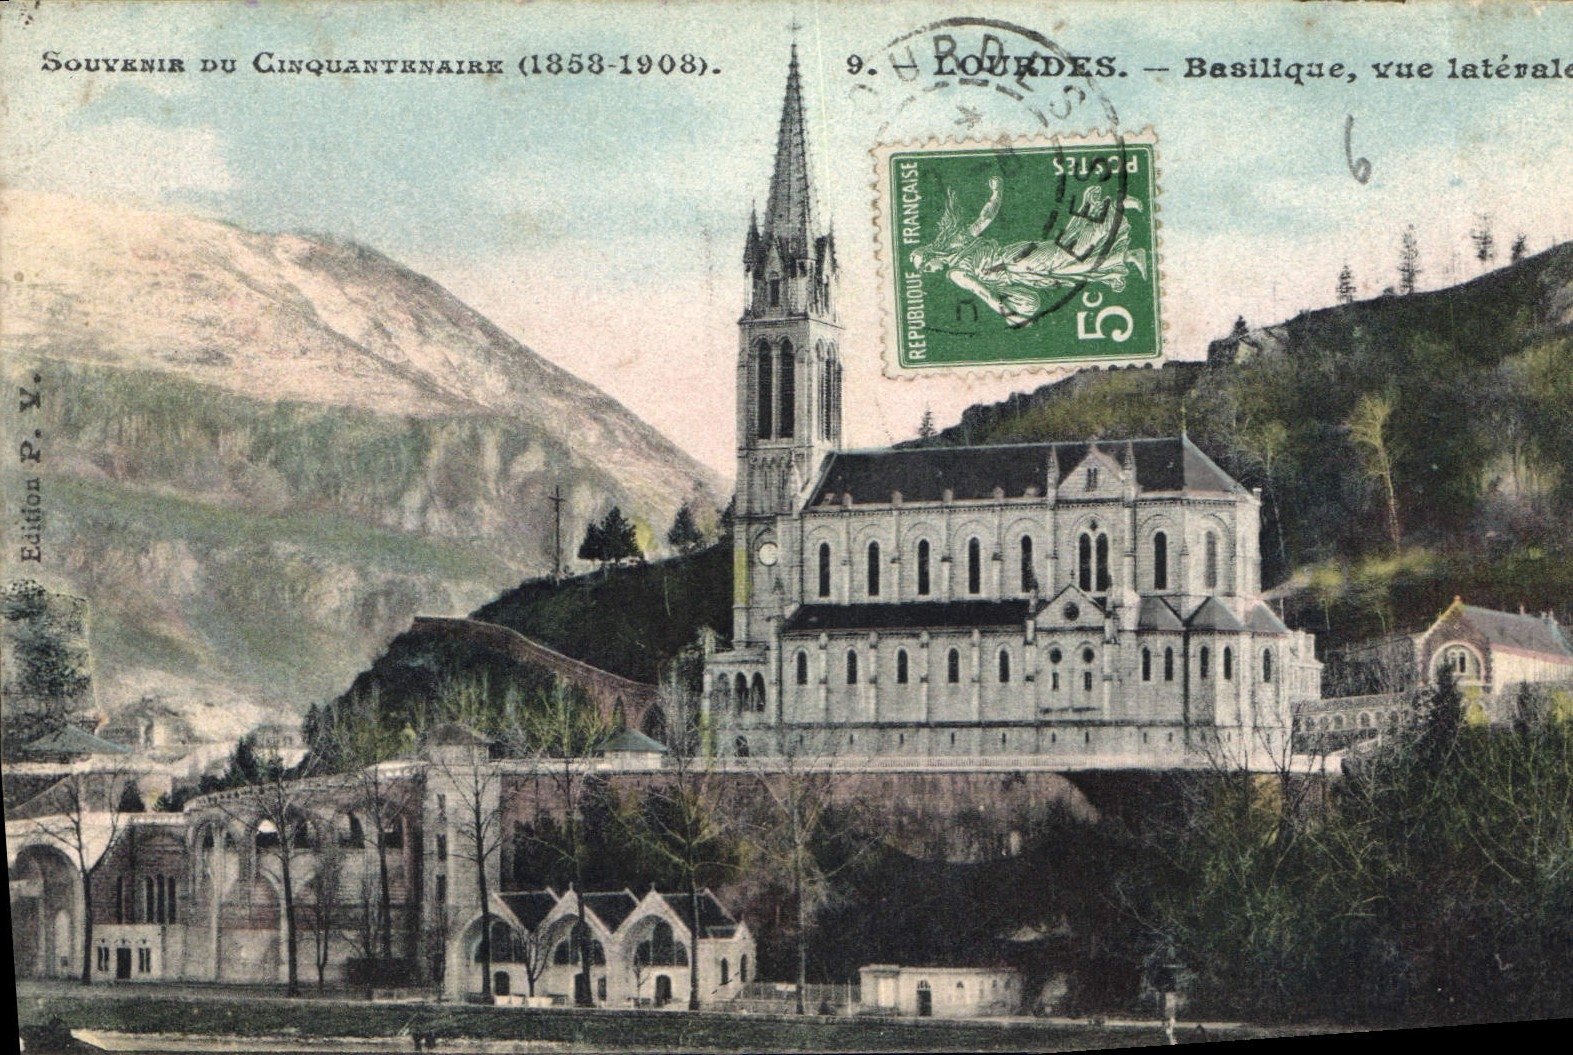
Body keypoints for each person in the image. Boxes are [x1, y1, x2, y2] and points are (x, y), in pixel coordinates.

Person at [908, 176, 1147, 328]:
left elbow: (984, 293)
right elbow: (986, 217)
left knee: (1071, 254)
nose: (930, 271)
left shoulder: (955, 272)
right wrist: (997, 191)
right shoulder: (959, 242)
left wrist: (1011, 316)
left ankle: (1113, 207)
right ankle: (1128, 255)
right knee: (1073, 267)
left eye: (926, 267)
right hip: (1020, 270)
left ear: (931, 256)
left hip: (1017, 262)